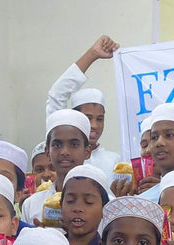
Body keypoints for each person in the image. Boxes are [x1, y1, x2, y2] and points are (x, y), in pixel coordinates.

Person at [46, 35, 122, 178]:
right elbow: (57, 94)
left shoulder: (115, 161)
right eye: (88, 118)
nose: (94, 125)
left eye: (99, 119)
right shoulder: (61, 155)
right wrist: (92, 54)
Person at [21, 110, 92, 225]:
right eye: (57, 145)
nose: (64, 152)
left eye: (73, 145)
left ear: (87, 151)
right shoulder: (31, 204)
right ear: (48, 152)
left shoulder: (103, 202)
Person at [61, 165, 113, 245]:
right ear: (60, 205)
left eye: (88, 202)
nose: (78, 208)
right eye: (70, 201)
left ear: (104, 209)